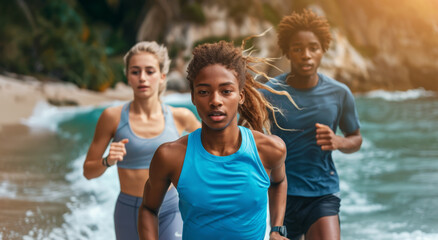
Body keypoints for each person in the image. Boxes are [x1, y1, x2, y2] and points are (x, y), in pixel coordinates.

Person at [138, 41, 294, 240]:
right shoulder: (171, 156)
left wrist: (276, 229)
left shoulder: (270, 149)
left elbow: (279, 182)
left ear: (241, 96)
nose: (215, 101)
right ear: (193, 97)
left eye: (226, 91)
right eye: (203, 92)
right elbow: (148, 209)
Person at [261, 9, 363, 240]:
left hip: (322, 193)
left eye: (313, 48)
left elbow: (356, 138)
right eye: (297, 49)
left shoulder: (339, 93)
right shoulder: (268, 93)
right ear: (287, 52)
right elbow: (245, 138)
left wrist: (339, 141)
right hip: (280, 193)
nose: (306, 55)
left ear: (323, 50)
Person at [83, 41, 200, 240]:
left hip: (170, 208)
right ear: (127, 76)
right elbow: (88, 172)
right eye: (135, 71)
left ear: (162, 76)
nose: (142, 78)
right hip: (129, 211)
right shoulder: (112, 117)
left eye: (150, 71)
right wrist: (107, 161)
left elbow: (216, 149)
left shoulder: (181, 117)